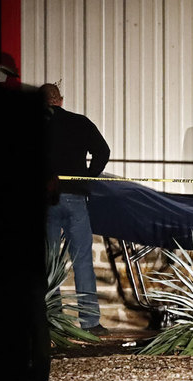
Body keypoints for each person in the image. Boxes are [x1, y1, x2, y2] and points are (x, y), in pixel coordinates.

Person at [39, 83, 111, 336]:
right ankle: (90, 323)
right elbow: (103, 151)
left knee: (49, 262)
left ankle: (52, 320)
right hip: (75, 196)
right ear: (60, 100)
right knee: (82, 261)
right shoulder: (79, 122)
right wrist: (88, 176)